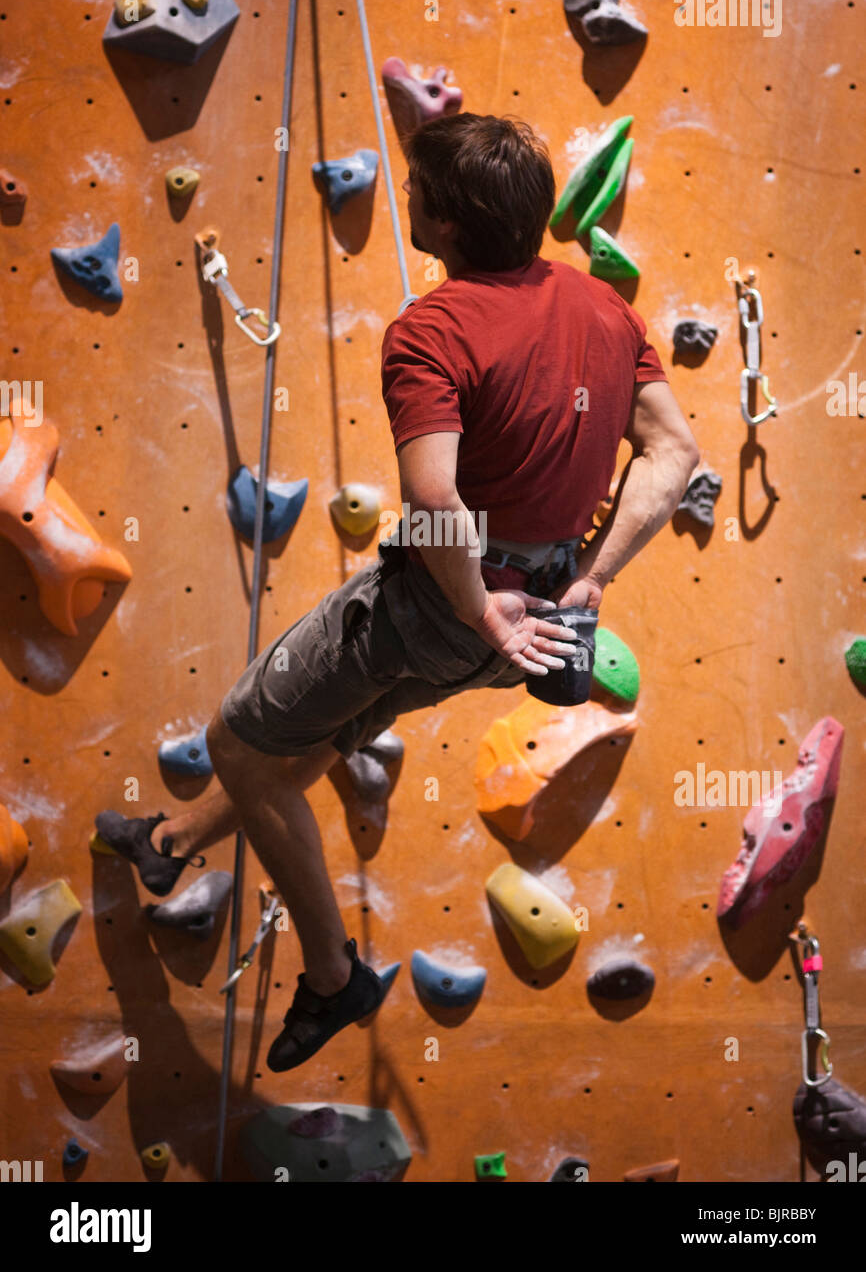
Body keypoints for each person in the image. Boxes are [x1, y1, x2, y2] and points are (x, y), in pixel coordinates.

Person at [96, 113, 700, 1072]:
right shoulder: (606, 310)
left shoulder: (432, 329)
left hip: (444, 608)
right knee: (319, 728)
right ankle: (168, 839)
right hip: (535, 623)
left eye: (416, 190)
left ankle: (335, 978)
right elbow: (676, 451)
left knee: (237, 744)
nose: (406, 198)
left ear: (447, 222)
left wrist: (470, 602)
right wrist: (591, 579)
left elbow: (432, 500)